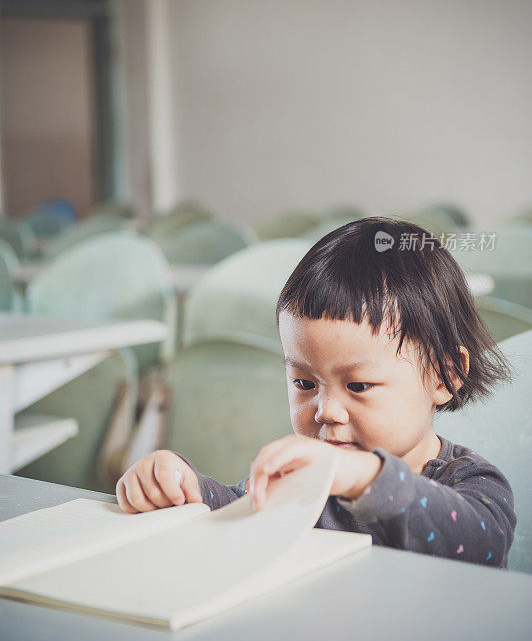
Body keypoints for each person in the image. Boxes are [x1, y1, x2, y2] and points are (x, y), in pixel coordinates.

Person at [116, 217, 516, 567]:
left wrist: (364, 478)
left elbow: (479, 546)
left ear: (444, 376)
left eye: (358, 386)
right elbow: (239, 511)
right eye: (305, 383)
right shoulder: (303, 477)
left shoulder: (469, 483)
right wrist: (185, 488)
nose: (327, 411)